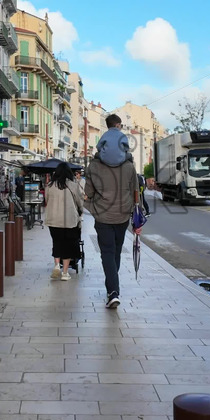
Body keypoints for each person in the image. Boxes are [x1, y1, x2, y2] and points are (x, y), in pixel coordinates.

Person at [85, 113, 141, 309]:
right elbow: (136, 192)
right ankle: (113, 288)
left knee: (107, 252)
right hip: (123, 216)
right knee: (115, 252)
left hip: (102, 216)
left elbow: (88, 193)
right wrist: (137, 218)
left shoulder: (93, 166)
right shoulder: (129, 166)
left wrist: (93, 209)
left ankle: (113, 291)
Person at [45, 162, 84, 280]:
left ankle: (57, 265)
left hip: (53, 219)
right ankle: (65, 273)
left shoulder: (49, 186)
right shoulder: (73, 185)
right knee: (67, 245)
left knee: (56, 242)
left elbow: (46, 200)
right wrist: (80, 211)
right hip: (69, 220)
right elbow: (79, 202)